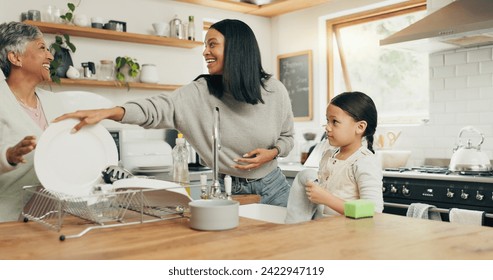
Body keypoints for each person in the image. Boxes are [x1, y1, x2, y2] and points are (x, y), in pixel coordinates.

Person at [55, 19, 295, 206]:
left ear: (237, 49)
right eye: (205, 45)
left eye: (212, 45)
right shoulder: (200, 92)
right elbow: (157, 108)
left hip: (274, 188)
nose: (205, 52)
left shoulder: (275, 91)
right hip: (226, 190)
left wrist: (273, 153)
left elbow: (287, 138)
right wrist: (112, 112)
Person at [0, 21, 65, 222]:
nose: (51, 56)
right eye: (42, 48)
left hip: (53, 217)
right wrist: (8, 156)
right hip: (8, 220)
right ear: (15, 57)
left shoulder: (54, 102)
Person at [285, 91, 384, 223]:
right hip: (325, 231)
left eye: (335, 122)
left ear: (360, 127)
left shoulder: (364, 161)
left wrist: (327, 199)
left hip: (349, 235)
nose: (327, 127)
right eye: (327, 121)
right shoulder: (328, 155)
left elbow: (374, 211)